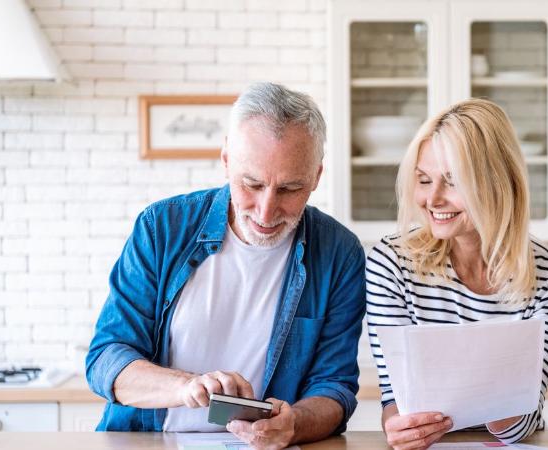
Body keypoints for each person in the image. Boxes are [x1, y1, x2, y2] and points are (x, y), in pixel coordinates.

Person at [86, 82, 367, 449]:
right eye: (252, 184)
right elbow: (106, 359)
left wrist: (293, 424)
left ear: (316, 176)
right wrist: (185, 387)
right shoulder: (161, 228)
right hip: (150, 440)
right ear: (226, 161)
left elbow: (335, 388)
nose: (266, 211)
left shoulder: (339, 253)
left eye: (289, 189)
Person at [366, 98, 548, 449]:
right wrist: (400, 427)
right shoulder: (392, 263)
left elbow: (519, 423)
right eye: (423, 179)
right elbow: (395, 400)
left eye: (452, 182)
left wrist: (493, 401)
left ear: (497, 183)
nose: (432, 199)